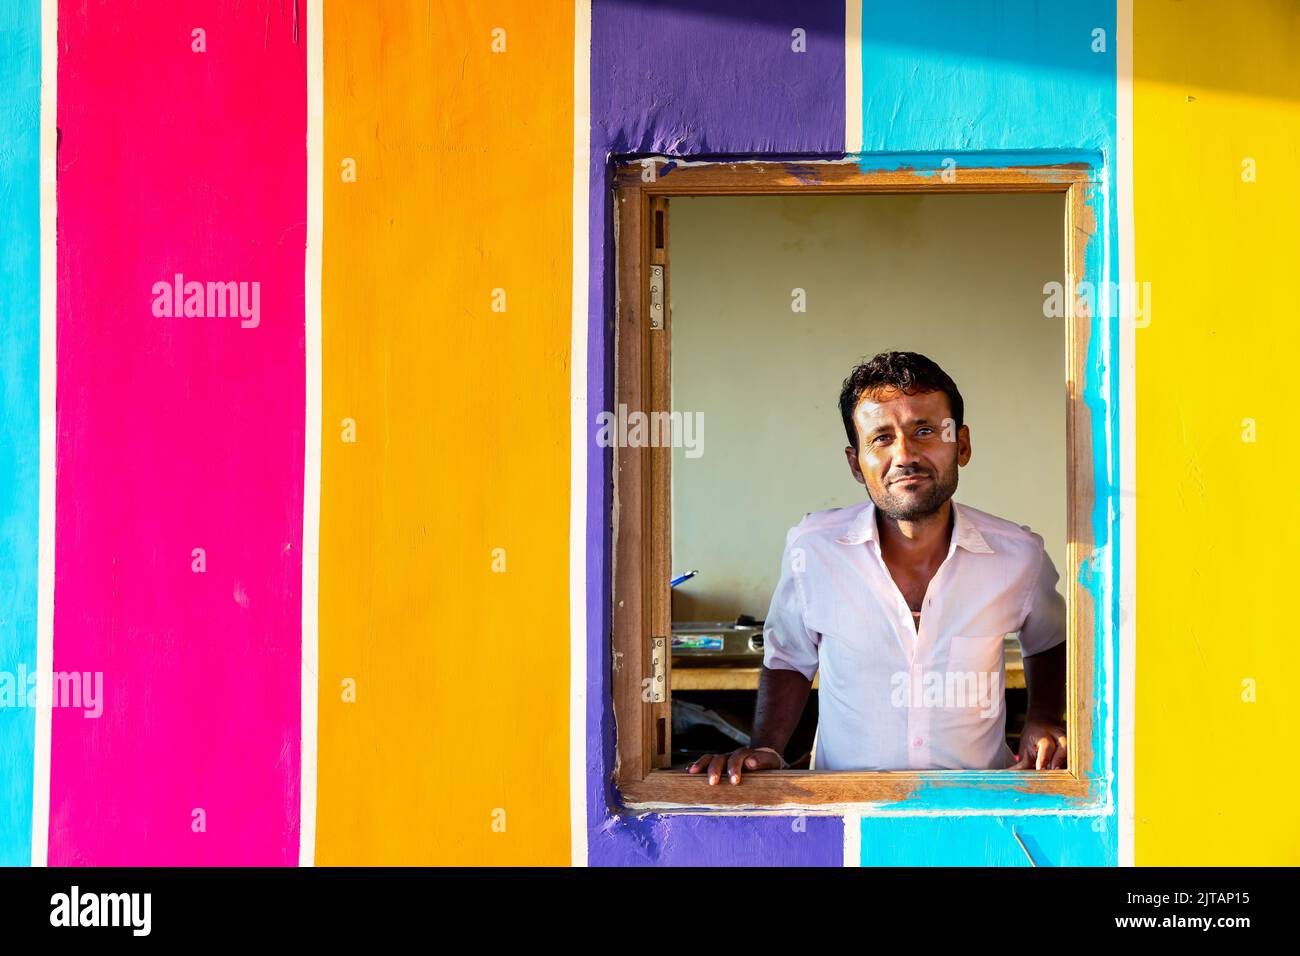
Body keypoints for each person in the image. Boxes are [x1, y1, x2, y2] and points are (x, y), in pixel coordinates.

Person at [687, 350, 1067, 784]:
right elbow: (789, 657)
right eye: (881, 438)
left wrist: (1043, 716)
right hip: (847, 810)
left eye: (924, 430)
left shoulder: (1018, 555)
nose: (905, 455)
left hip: (976, 809)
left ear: (961, 445)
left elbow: (1049, 638)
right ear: (855, 463)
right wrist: (766, 747)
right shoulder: (814, 550)